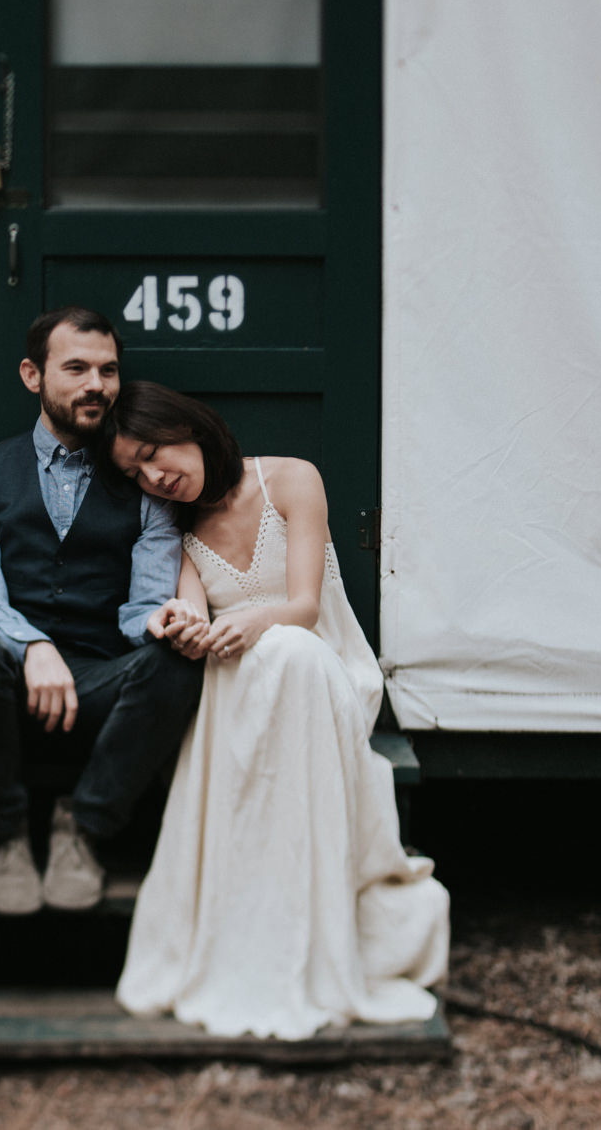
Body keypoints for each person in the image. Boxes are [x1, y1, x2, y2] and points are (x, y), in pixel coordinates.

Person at [103, 381, 449, 1039]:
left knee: (289, 651)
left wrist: (255, 624)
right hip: (233, 676)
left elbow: (303, 607)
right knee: (256, 663)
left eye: (154, 451)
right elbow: (196, 615)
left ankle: (307, 928)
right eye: (135, 471)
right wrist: (182, 623)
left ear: (191, 427)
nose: (155, 475)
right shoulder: (175, 532)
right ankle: (248, 929)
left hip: (316, 663)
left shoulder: (292, 479)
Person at [0, 309, 204, 915]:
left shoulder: (145, 487)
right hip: (6, 684)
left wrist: (161, 621)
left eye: (108, 370)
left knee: (177, 665)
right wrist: (33, 647)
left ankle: (82, 827)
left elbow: (141, 605)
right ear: (33, 375)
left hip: (100, 687)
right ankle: (4, 837)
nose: (97, 385)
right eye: (77, 368)